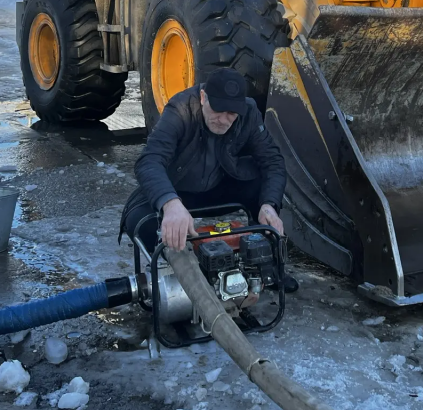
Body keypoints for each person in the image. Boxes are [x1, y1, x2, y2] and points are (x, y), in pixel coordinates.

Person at [122, 68, 297, 291]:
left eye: (232, 114)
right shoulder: (180, 109)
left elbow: (272, 161)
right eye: (218, 110)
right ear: (203, 97)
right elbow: (149, 160)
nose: (224, 120)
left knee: (263, 187)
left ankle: (265, 266)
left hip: (220, 183)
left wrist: (270, 205)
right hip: (180, 190)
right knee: (138, 220)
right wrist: (170, 203)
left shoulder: (249, 113)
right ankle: (175, 278)